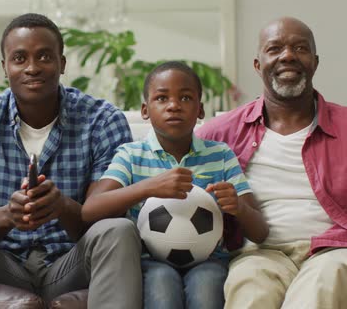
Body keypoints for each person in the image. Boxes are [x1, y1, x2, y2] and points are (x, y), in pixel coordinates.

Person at [0, 13, 141, 308]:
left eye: (44, 57)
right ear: (4, 67)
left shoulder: (102, 120)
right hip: (1, 262)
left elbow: (105, 218)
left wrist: (61, 206)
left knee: (119, 230)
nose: (32, 68)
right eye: (20, 58)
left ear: (62, 63)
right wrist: (8, 216)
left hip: (71, 262)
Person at [82, 61, 268, 309]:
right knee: (162, 285)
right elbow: (89, 210)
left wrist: (239, 208)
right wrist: (148, 187)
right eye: (161, 98)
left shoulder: (221, 155)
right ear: (145, 110)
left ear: (200, 110)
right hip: (150, 260)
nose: (173, 105)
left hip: (209, 260)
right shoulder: (131, 155)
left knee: (206, 287)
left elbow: (260, 232)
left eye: (185, 98)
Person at [196, 17, 347, 308]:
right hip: (259, 252)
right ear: (258, 64)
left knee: (323, 284)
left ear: (314, 62)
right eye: (274, 48)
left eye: (299, 48)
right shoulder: (220, 133)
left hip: (334, 249)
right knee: (249, 289)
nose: (287, 55)